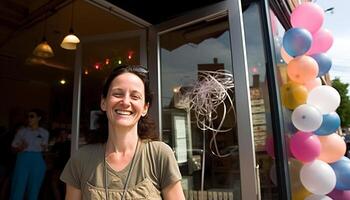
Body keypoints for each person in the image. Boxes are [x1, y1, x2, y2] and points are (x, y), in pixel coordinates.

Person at [60, 65, 185, 200]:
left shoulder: (159, 155)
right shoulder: (81, 159)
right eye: (117, 94)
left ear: (145, 108)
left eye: (135, 96)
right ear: (103, 102)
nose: (125, 102)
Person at [10, 109, 49, 200]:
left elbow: (45, 148)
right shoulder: (22, 131)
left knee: (34, 187)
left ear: (38, 118)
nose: (29, 118)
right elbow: (12, 148)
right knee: (18, 186)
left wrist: (45, 149)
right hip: (23, 158)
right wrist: (20, 148)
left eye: (32, 116)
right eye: (28, 116)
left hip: (37, 159)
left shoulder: (44, 132)